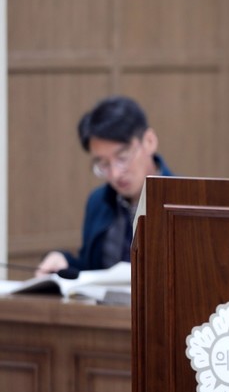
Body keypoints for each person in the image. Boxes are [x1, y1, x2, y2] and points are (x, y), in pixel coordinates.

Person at [36, 96, 173, 275]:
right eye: (103, 164)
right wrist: (63, 261)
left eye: (122, 158)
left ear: (149, 141)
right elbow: (91, 272)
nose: (115, 174)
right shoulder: (98, 201)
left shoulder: (185, 200)